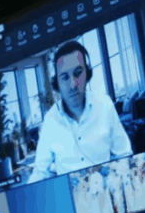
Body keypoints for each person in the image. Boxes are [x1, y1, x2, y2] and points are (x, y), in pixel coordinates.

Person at [28, 41, 133, 184]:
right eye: (65, 77)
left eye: (78, 73)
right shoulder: (50, 120)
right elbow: (40, 172)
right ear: (57, 82)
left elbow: (124, 154)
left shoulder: (105, 104)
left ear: (87, 73)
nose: (73, 85)